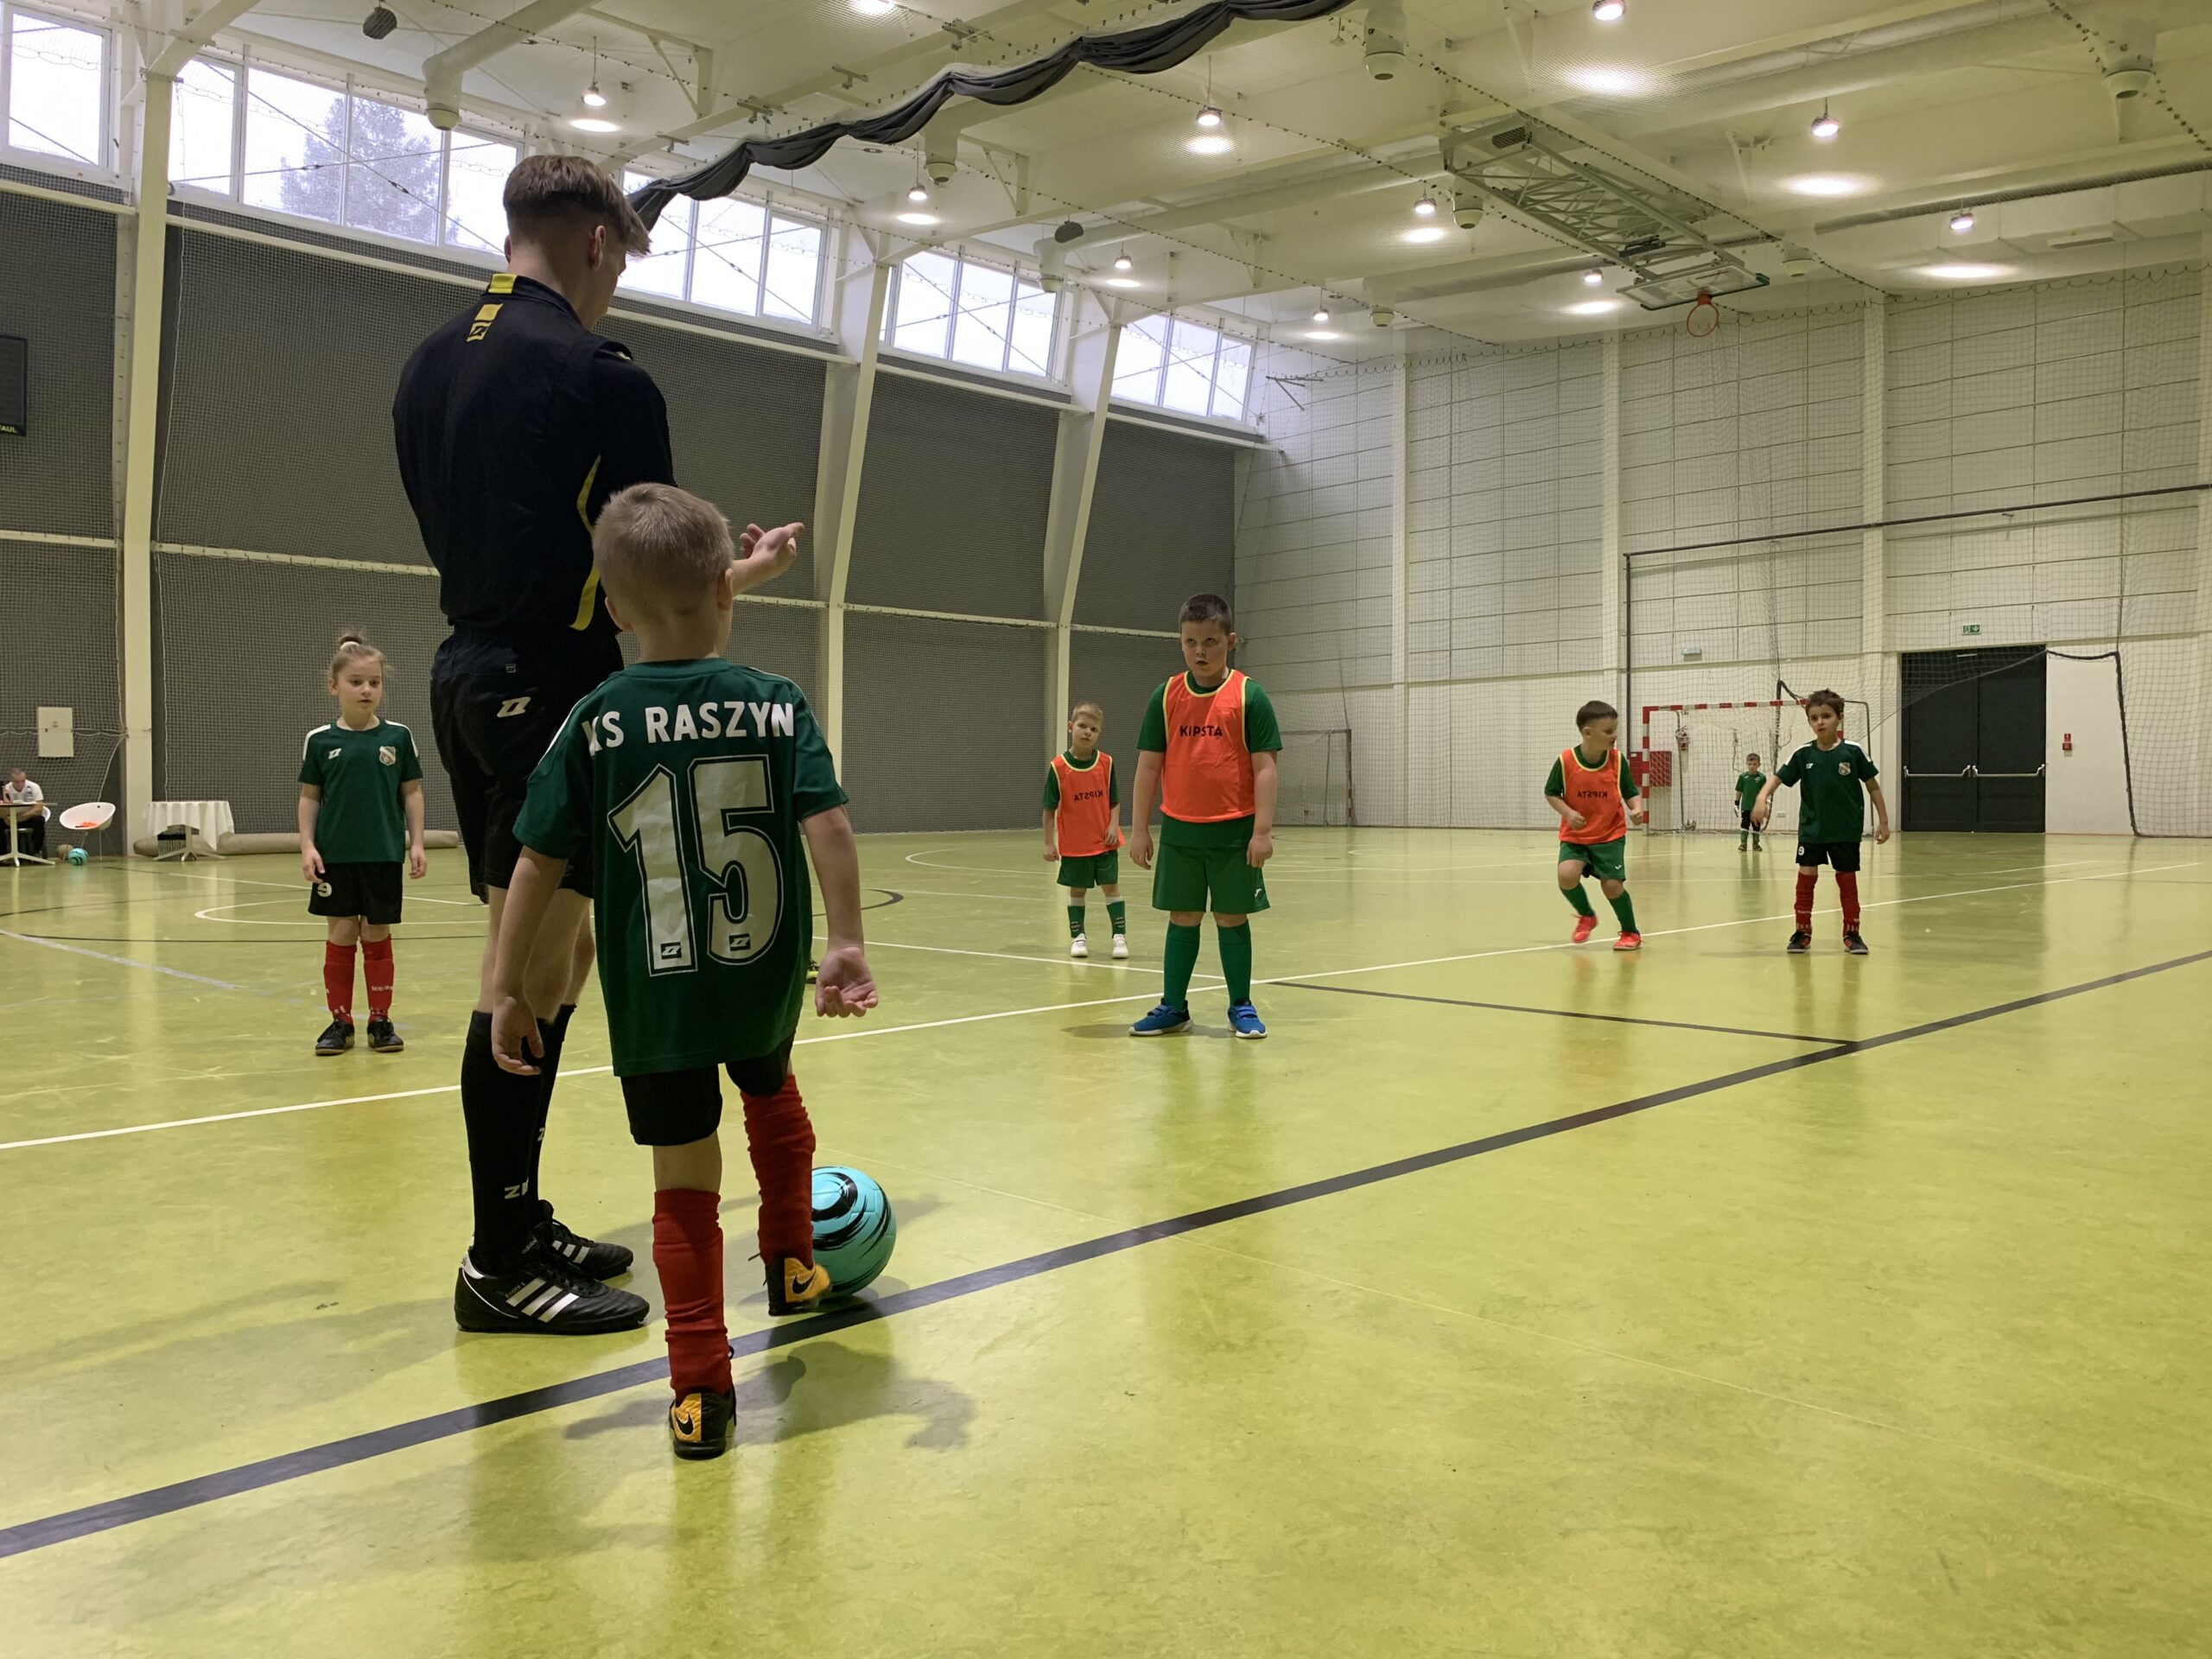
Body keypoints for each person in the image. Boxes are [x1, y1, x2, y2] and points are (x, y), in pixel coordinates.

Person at [394, 153, 798, 1332]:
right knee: (522, 974)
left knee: (552, 962)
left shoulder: (427, 364)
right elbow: (644, 569)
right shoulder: (600, 375)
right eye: (619, 262)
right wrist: (736, 577)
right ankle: (496, 1258)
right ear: (596, 243)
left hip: (467, 672)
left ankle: (520, 1221)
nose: (614, 282)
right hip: (554, 682)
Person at [489, 484, 876, 1459]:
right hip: (760, 976)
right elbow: (828, 823)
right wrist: (846, 938)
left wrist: (508, 989)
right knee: (774, 1099)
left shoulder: (595, 720)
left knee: (683, 1179)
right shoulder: (776, 702)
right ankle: (791, 1266)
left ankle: (700, 1387)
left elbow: (534, 861)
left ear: (616, 614)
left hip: (657, 1001)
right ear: (727, 588)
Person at [1126, 594, 1280, 1039]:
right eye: (1190, 642)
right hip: (1180, 831)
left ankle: (1241, 1006)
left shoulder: (1249, 696)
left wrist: (1262, 831)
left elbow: (1265, 767)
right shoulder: (1166, 695)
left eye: (1210, 642)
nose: (1200, 651)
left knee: (1232, 917)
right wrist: (1139, 830)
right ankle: (1174, 1007)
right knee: (1183, 916)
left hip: (1234, 832)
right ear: (1180, 642)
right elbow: (1148, 766)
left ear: (1229, 641)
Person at [297, 632, 427, 1056]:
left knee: (376, 931)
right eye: (356, 681)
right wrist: (308, 846)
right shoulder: (320, 740)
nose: (366, 689)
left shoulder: (398, 737)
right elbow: (309, 797)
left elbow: (411, 792)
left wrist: (416, 843)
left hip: (383, 854)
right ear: (333, 686)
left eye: (374, 682)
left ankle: (380, 1020)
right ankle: (340, 1022)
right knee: (341, 932)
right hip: (335, 857)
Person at [1752, 690, 1890, 955]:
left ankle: (1852, 934)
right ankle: (1802, 932)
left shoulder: (1853, 751)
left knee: (1847, 880)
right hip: (1812, 830)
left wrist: (1883, 821)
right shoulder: (1803, 754)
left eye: (1826, 716)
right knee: (1806, 877)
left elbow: (1873, 786)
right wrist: (1762, 797)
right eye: (1814, 718)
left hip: (1845, 830)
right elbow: (1777, 779)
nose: (1820, 722)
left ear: (1840, 718)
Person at [1545, 700, 1648, 951]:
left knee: (1612, 886)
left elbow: (1630, 792)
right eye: (1608, 731)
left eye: (1615, 730)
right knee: (1566, 876)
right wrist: (1568, 813)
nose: (1614, 736)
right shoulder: (1566, 761)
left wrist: (1636, 808)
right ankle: (1586, 915)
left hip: (1609, 834)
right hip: (1576, 835)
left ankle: (1630, 932)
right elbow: (1551, 793)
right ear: (1587, 732)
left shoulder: (1617, 760)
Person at [1042, 700, 1127, 961]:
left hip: (1104, 842)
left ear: (1099, 732)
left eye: (1093, 729)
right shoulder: (1058, 768)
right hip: (1075, 845)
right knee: (1077, 891)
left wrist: (1113, 825)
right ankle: (1078, 937)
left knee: (1111, 888)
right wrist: (1048, 843)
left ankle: (1119, 937)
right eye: (1082, 726)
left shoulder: (1106, 763)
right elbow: (1049, 809)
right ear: (1071, 727)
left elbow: (1114, 801)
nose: (1087, 732)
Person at [3, 768, 45, 859]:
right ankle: (3, 855)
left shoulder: (34, 787)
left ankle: (35, 852)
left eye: (22, 781)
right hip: (10, 820)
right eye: (16, 782)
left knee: (39, 820)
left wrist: (20, 818)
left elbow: (38, 809)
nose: (20, 784)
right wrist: (7, 817)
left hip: (28, 818)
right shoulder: (5, 789)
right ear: (11, 780)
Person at [1735, 753, 1765, 852]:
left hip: (1757, 808)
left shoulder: (1762, 778)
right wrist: (1736, 803)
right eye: (1749, 764)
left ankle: (1756, 844)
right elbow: (1739, 791)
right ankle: (1743, 844)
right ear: (1747, 764)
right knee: (1745, 824)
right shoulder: (1743, 777)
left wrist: (1765, 803)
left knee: (1756, 825)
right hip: (1746, 806)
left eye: (1754, 764)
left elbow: (1764, 792)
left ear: (1759, 765)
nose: (1752, 766)